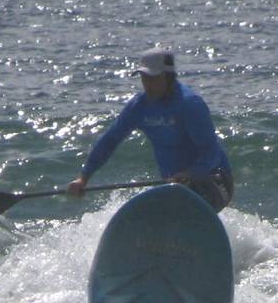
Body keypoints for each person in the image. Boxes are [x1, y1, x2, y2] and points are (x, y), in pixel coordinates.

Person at [67, 47, 233, 213]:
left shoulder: (189, 104)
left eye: (153, 78)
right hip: (175, 186)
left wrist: (189, 174)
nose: (147, 84)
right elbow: (110, 140)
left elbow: (211, 153)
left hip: (214, 180)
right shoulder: (139, 107)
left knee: (178, 212)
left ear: (169, 76)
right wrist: (83, 178)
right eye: (144, 78)